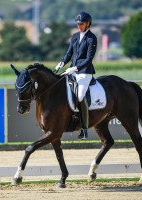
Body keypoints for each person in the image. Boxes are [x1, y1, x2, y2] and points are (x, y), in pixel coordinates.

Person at [55, 11, 97, 139]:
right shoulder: (74, 36)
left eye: (82, 24)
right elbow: (69, 53)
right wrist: (62, 63)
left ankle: (84, 129)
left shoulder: (92, 38)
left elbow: (89, 58)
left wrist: (75, 67)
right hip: (72, 70)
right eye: (78, 24)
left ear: (88, 24)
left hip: (85, 72)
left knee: (79, 96)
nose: (79, 26)